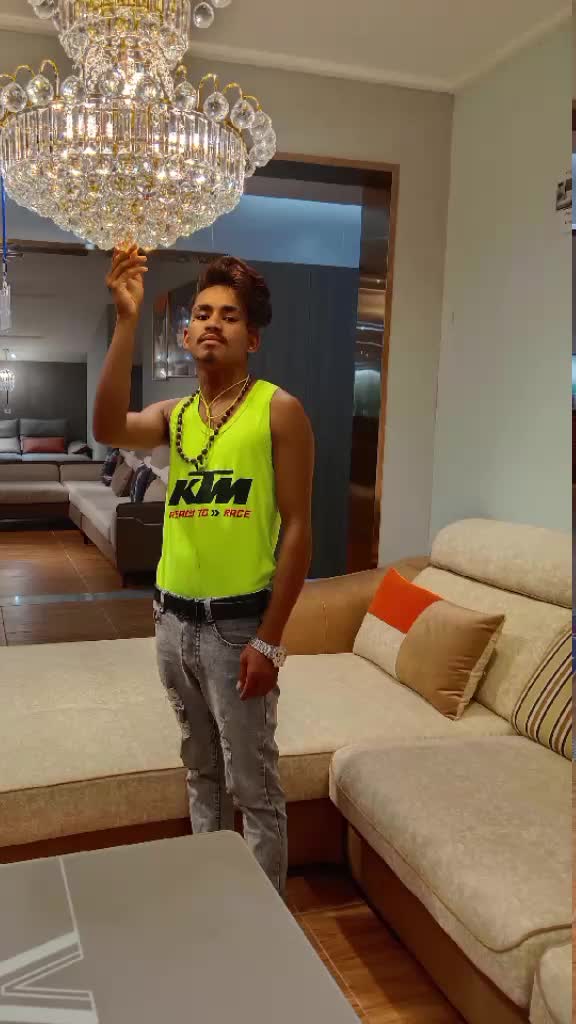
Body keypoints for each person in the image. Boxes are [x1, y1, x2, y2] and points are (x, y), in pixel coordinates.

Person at [93, 247, 315, 894]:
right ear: (187, 333)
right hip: (173, 623)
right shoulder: (175, 416)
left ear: (253, 337)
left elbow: (299, 529)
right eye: (202, 313)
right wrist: (126, 320)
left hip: (237, 628)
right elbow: (107, 425)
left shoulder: (279, 410)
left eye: (230, 315)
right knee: (201, 772)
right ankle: (212, 901)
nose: (213, 323)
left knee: (254, 786)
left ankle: (264, 924)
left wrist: (269, 641)